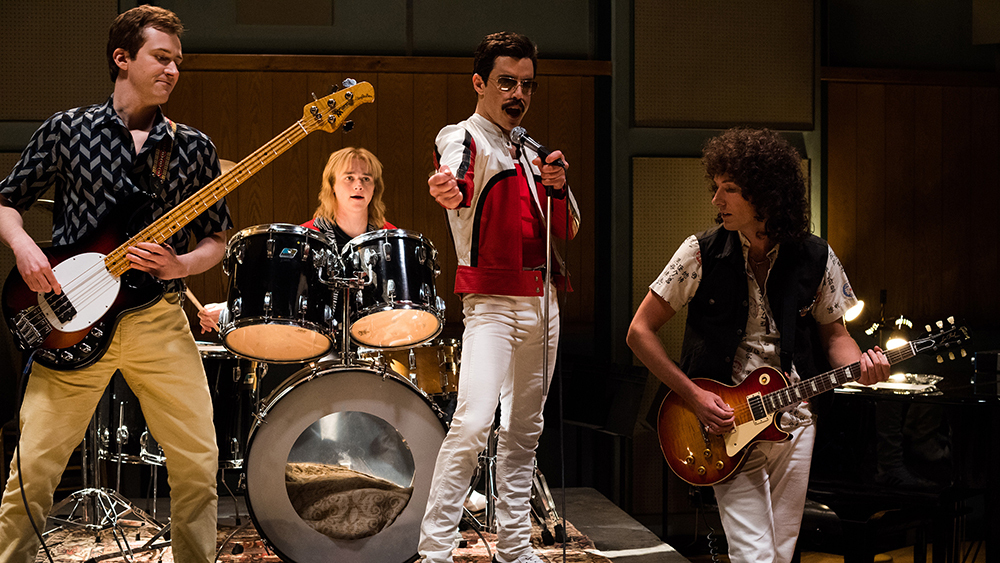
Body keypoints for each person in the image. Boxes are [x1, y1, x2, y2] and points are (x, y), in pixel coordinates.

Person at [0, 6, 231, 562]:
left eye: (178, 61)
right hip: (70, 319)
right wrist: (25, 247)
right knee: (32, 471)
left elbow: (217, 239)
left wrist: (183, 265)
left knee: (198, 465)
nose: (173, 70)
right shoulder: (67, 129)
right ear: (122, 58)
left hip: (158, 319)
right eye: (161, 57)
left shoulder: (193, 147)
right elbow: (6, 203)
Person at [626, 127, 891, 563]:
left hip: (795, 420)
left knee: (779, 555)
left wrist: (863, 367)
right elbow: (639, 332)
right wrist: (693, 395)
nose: (717, 200)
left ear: (766, 194)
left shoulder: (816, 256)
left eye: (729, 189)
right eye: (716, 187)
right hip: (726, 424)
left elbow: (836, 336)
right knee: (755, 556)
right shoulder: (699, 252)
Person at [419, 31, 581, 563]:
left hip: (542, 298)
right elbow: (455, 179)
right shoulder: (463, 136)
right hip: (492, 303)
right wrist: (446, 188)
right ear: (479, 83)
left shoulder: (532, 148)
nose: (518, 94)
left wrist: (558, 185)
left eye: (527, 85)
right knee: (472, 423)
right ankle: (435, 551)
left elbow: (569, 227)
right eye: (506, 82)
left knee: (524, 430)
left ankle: (514, 547)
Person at [197, 146, 395, 333]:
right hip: (318, 339)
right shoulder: (306, 237)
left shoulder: (390, 238)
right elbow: (278, 291)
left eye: (366, 179)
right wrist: (229, 308)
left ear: (375, 188)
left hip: (377, 337)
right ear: (332, 185)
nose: (358, 185)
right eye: (349, 178)